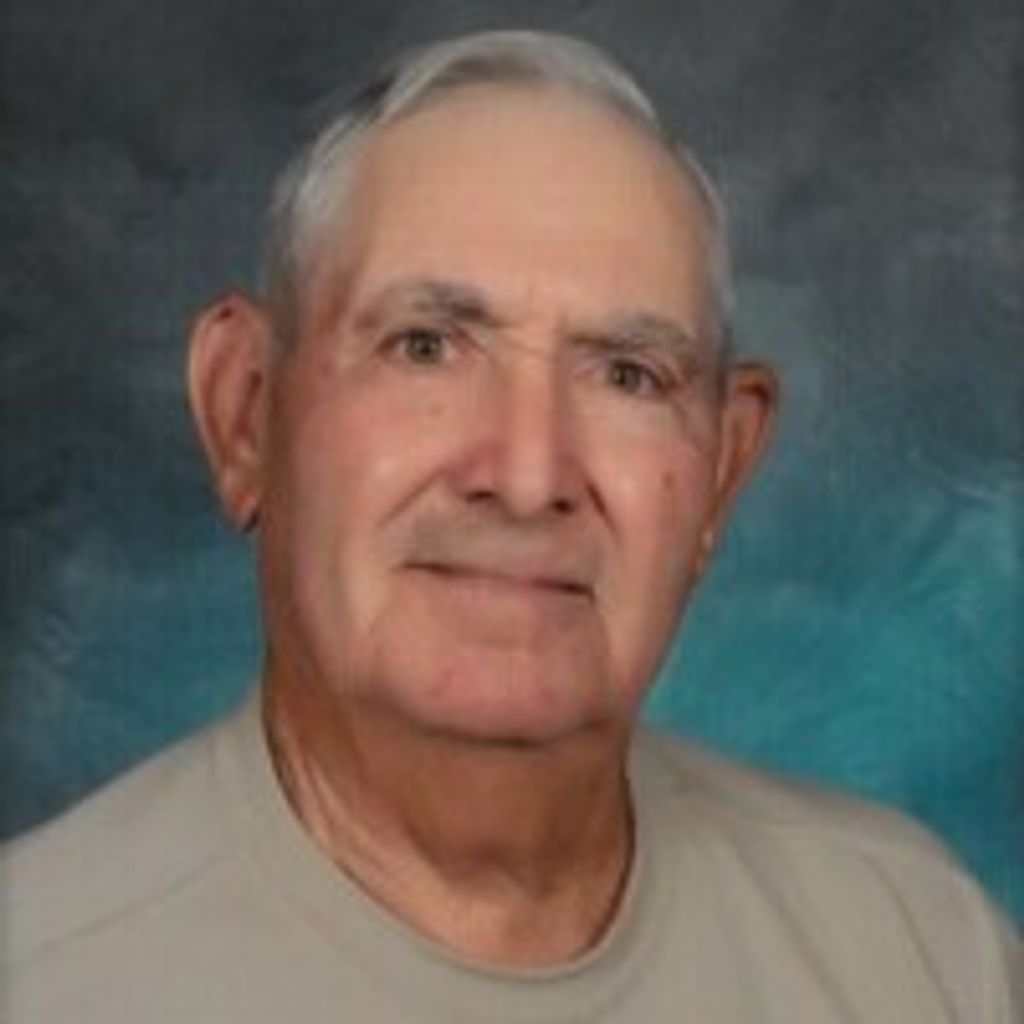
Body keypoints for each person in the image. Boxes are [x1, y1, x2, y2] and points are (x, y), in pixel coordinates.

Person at [2, 29, 1020, 1022]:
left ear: (720, 472)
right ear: (245, 412)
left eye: (628, 375)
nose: (529, 479)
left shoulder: (925, 956)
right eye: (426, 346)